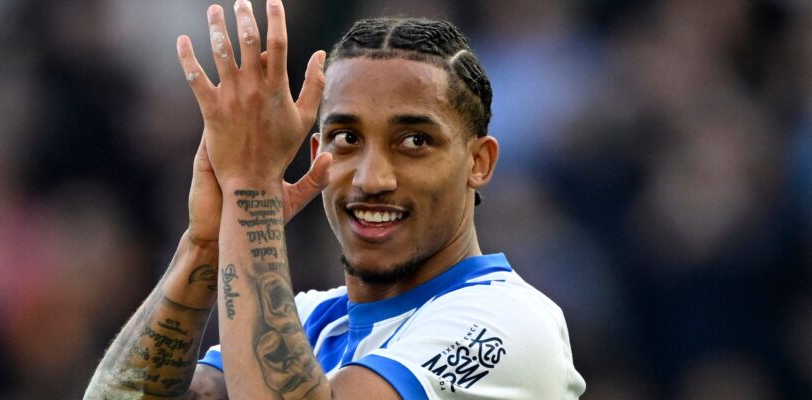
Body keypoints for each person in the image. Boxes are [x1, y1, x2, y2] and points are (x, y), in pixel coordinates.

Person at [84, 0, 585, 398]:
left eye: (414, 141)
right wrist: (209, 244)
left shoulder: (509, 324)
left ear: (479, 162)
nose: (372, 178)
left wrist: (252, 192)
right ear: (317, 155)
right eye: (347, 138)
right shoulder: (309, 321)